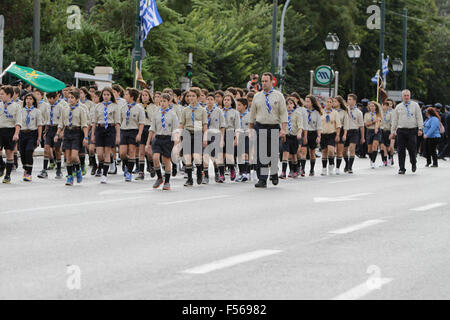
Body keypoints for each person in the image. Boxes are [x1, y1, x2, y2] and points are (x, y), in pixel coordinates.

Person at [249, 72, 288, 188]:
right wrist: (250, 129)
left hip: (274, 127)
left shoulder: (278, 96)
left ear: (272, 82)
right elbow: (252, 115)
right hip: (260, 126)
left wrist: (283, 129)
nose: (264, 83)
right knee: (261, 154)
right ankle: (262, 179)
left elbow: (283, 114)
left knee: (272, 153)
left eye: (266, 81)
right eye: (262, 81)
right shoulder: (257, 96)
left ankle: (274, 172)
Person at [55, 88, 89, 186]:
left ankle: (78, 169)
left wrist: (86, 137)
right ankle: (70, 176)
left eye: (72, 98)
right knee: (68, 158)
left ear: (77, 99)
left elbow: (84, 125)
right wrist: (57, 134)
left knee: (74, 156)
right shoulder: (65, 109)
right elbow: (61, 123)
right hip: (67, 133)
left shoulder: (81, 110)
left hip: (77, 133)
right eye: (69, 97)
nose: (70, 99)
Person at [146, 93, 179, 190]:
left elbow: (176, 131)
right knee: (155, 157)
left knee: (166, 161)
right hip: (158, 138)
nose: (162, 103)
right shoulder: (156, 113)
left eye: (164, 101)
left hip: (168, 139)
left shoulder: (173, 115)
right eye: (161, 101)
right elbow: (152, 129)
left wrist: (176, 145)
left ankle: (167, 182)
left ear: (169, 102)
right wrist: (148, 143)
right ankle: (160, 177)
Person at [176, 87, 208, 186]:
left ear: (198, 97)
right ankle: (189, 179)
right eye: (189, 96)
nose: (191, 98)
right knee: (187, 157)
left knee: (197, 157)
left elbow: (205, 125)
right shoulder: (185, 110)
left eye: (193, 96)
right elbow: (181, 123)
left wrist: (205, 137)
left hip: (198, 133)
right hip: (187, 133)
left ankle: (199, 171)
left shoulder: (202, 110)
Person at [390, 89, 424, 175]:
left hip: (412, 130)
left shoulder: (415, 105)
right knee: (401, 150)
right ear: (402, 96)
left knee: (412, 149)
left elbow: (419, 117)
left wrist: (420, 128)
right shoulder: (398, 107)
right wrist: (393, 131)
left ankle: (413, 162)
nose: (406, 97)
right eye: (404, 95)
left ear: (410, 96)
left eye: (407, 95)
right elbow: (395, 119)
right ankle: (402, 168)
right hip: (401, 130)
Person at [91, 87, 121, 184]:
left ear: (111, 96)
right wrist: (92, 134)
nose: (106, 97)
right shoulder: (98, 106)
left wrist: (118, 136)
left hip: (110, 129)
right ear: (102, 96)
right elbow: (94, 122)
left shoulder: (115, 106)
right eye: (104, 95)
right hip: (100, 129)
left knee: (107, 152)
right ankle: (105, 163)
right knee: (99, 154)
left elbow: (117, 122)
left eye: (108, 95)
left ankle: (104, 174)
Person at [119, 88, 145, 182]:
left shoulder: (139, 108)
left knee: (132, 152)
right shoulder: (123, 107)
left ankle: (129, 172)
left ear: (132, 97)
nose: (124, 96)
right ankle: (127, 165)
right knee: (122, 153)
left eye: (126, 94)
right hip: (124, 131)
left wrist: (139, 134)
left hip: (133, 131)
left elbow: (141, 123)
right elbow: (120, 121)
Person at [0, 85, 22, 183]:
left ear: (8, 95)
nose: (0, 96)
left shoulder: (16, 106)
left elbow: (18, 122)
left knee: (9, 153)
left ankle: (7, 175)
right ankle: (2, 164)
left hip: (10, 131)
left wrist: (16, 134)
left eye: (2, 94)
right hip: (0, 130)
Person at [19, 93, 43, 181]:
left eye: (30, 99)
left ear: (33, 101)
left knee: (29, 151)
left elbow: (39, 125)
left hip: (32, 133)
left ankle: (29, 172)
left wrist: (39, 137)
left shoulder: (37, 111)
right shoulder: (21, 111)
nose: (28, 101)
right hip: (22, 133)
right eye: (27, 99)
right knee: (22, 153)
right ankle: (25, 167)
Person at [203, 93, 225, 184]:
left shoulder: (218, 111)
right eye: (208, 99)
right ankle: (206, 175)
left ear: (214, 101)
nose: (209, 101)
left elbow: (222, 126)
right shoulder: (203, 111)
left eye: (211, 99)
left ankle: (217, 171)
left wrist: (222, 138)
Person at [299, 95, 322, 177]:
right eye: (305, 101)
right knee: (303, 151)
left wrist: (319, 136)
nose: (306, 103)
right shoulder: (302, 111)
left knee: (312, 152)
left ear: (312, 103)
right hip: (304, 132)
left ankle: (312, 169)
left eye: (308, 101)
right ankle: (302, 169)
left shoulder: (316, 113)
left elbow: (319, 126)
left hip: (313, 133)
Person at [136, 89, 157, 180]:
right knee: (141, 152)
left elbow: (155, 120)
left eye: (146, 95)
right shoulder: (138, 106)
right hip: (141, 128)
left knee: (149, 152)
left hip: (150, 129)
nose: (144, 97)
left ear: (149, 97)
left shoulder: (154, 107)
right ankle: (141, 172)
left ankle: (151, 165)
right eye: (143, 95)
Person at [279, 98, 302, 179]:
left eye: (291, 103)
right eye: (287, 104)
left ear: (294, 105)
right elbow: (281, 124)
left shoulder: (297, 114)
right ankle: (283, 172)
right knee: (285, 153)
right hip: (286, 136)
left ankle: (295, 171)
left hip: (294, 136)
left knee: (293, 155)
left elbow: (300, 126)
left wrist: (299, 133)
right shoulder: (283, 114)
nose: (289, 105)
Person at [344, 94, 365, 174]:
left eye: (350, 99)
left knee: (352, 149)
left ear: (354, 101)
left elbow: (361, 126)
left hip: (354, 131)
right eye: (348, 99)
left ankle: (350, 167)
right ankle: (347, 163)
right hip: (346, 131)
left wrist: (362, 137)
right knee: (344, 151)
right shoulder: (345, 110)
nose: (348, 101)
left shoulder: (359, 112)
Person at [221, 94, 240, 182]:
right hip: (221, 133)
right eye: (225, 100)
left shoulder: (235, 112)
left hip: (230, 133)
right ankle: (221, 173)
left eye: (228, 100)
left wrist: (236, 138)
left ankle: (232, 169)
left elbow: (237, 126)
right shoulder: (219, 111)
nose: (226, 101)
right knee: (221, 154)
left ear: (231, 102)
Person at [320, 97, 341, 175]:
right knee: (324, 152)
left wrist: (338, 135)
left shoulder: (335, 113)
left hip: (331, 133)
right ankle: (324, 168)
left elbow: (338, 125)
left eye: (330, 102)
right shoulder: (321, 112)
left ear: (332, 104)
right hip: (323, 134)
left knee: (331, 150)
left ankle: (331, 165)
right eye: (327, 102)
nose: (328, 103)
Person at [235, 98, 252, 182]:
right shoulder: (236, 115)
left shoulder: (250, 115)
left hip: (247, 136)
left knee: (245, 154)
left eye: (239, 105)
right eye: (236, 105)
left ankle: (246, 173)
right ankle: (241, 173)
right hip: (238, 136)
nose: (237, 107)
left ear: (245, 106)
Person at [333, 96, 349, 175]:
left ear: (339, 102)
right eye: (333, 101)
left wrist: (345, 134)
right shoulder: (331, 111)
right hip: (332, 130)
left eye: (335, 101)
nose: (333, 103)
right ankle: (331, 165)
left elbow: (346, 125)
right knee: (331, 150)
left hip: (341, 130)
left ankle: (337, 168)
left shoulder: (344, 112)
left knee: (340, 151)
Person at [364, 101, 382, 169]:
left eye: (373, 106)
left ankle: (373, 162)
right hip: (369, 131)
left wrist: (376, 128)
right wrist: (372, 122)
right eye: (371, 106)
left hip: (376, 131)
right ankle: (371, 159)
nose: (372, 107)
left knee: (375, 145)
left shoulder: (378, 114)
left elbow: (378, 122)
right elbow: (366, 124)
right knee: (369, 149)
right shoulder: (366, 114)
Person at [380, 101, 394, 167]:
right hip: (381, 131)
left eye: (385, 105)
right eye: (382, 105)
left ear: (387, 107)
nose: (383, 107)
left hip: (388, 131)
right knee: (382, 146)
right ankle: (384, 161)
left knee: (388, 147)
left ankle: (390, 157)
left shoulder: (390, 114)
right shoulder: (380, 114)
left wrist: (392, 132)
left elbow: (392, 124)